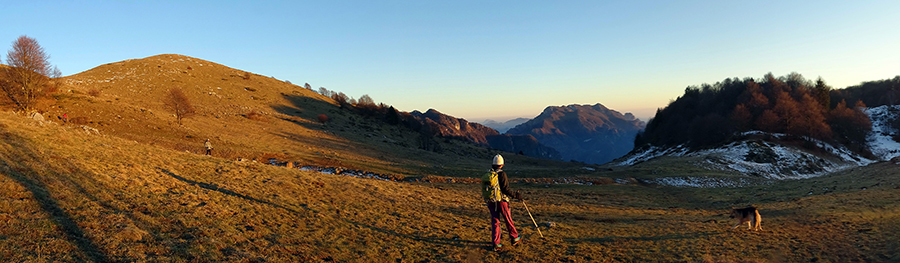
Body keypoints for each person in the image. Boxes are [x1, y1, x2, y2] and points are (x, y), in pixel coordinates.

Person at [482, 154, 523, 251]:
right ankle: (514, 237)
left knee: (495, 221)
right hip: (501, 201)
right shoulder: (502, 174)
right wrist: (515, 196)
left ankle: (496, 243)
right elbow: (505, 189)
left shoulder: (489, 174)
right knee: (508, 219)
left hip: (491, 201)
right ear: (502, 164)